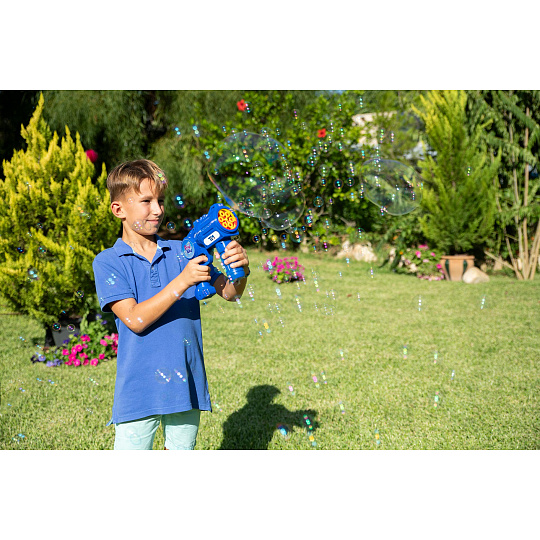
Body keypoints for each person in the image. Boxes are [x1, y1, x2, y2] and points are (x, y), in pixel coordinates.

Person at [92, 159, 250, 450]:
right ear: (118, 209)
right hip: (139, 389)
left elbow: (229, 293)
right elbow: (135, 319)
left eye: (161, 201)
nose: (157, 210)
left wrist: (239, 270)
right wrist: (183, 280)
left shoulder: (181, 251)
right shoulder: (109, 261)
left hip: (185, 384)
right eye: (146, 201)